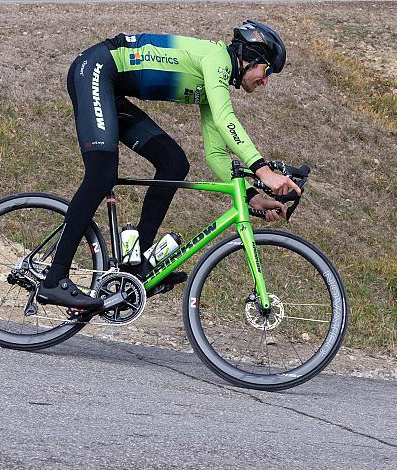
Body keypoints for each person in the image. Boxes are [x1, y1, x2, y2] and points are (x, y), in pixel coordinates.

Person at [36, 20, 301, 312]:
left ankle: (136, 268)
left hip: (109, 86)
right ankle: (54, 278)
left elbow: (216, 155)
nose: (266, 81)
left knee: (174, 164)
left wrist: (254, 197)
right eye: (268, 71)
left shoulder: (214, 82)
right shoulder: (217, 59)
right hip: (97, 69)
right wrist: (263, 170)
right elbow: (228, 120)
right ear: (250, 57)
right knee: (102, 174)